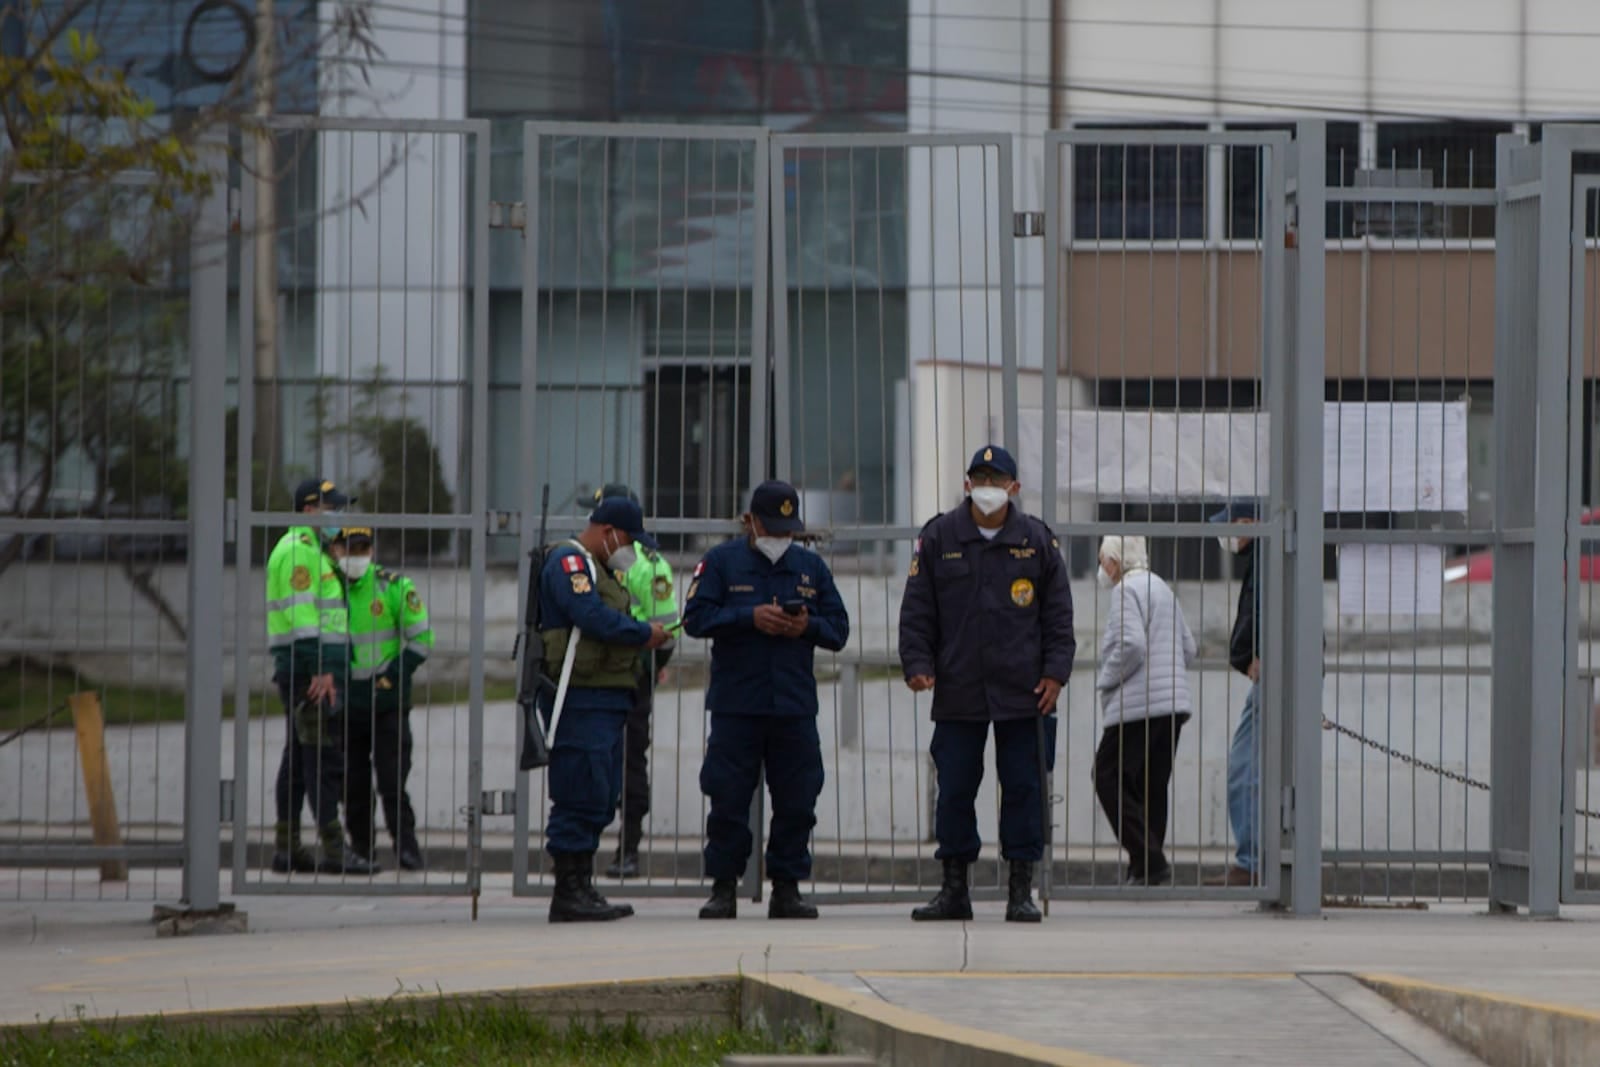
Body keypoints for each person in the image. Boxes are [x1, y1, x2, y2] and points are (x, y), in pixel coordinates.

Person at [899, 445, 1075, 923]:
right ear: (967, 484)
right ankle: (954, 889)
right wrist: (916, 662)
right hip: (959, 689)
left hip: (1024, 693)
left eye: (997, 480)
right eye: (981, 478)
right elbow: (918, 609)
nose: (988, 488)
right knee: (954, 788)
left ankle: (1021, 890)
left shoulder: (1036, 541)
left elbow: (1059, 617)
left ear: (1015, 488)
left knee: (1023, 788)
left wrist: (1056, 673)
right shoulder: (939, 537)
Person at [683, 480, 850, 921]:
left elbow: (839, 628)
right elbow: (695, 619)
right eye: (772, 527)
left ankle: (787, 888)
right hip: (737, 704)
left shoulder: (810, 567)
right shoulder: (720, 562)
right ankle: (723, 887)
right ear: (750, 522)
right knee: (728, 798)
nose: (780, 537)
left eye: (787, 529)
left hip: (793, 706)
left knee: (797, 800)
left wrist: (806, 626)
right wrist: (748, 618)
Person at [537, 496, 670, 922]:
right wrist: (640, 632)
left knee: (601, 793)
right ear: (609, 531)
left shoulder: (605, 570)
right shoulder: (569, 562)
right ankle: (568, 891)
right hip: (580, 698)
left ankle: (584, 885)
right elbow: (587, 614)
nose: (629, 550)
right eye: (628, 540)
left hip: (609, 698)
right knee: (578, 789)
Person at [265, 479, 377, 875]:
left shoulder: (313, 552)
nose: (340, 517)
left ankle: (287, 847)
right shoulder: (299, 553)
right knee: (321, 759)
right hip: (309, 672)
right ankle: (333, 849)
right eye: (334, 509)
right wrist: (321, 669)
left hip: (307, 669)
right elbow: (302, 617)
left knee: (297, 760)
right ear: (310, 510)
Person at [1093, 535, 1196, 887]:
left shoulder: (1126, 591)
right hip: (1173, 705)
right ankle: (1145, 868)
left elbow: (1131, 644)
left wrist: (1106, 680)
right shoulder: (1162, 588)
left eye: (1104, 559)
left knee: (1107, 777)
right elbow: (1189, 647)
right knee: (1151, 785)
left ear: (1116, 561)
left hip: (1137, 707)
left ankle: (1150, 860)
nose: (1102, 567)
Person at [591, 484, 679, 880]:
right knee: (587, 761)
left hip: (630, 678)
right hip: (589, 676)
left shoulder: (649, 565)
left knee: (629, 763)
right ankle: (581, 852)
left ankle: (628, 849)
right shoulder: (586, 560)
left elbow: (669, 626)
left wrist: (646, 667)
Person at [335, 526, 433, 872]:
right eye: (349, 550)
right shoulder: (328, 589)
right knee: (353, 784)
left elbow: (422, 640)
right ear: (335, 551)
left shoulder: (394, 587)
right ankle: (361, 850)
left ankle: (406, 847)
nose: (356, 557)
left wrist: (392, 676)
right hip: (345, 705)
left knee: (393, 782)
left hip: (387, 705)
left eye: (363, 549)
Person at [1208, 500, 1260, 887]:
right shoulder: (1265, 559)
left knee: (1245, 769)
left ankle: (1252, 861)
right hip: (1277, 675)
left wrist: (1256, 655)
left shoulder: (1269, 559)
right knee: (1258, 769)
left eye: (1235, 523)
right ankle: (1260, 861)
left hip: (1276, 676)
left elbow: (1260, 614)